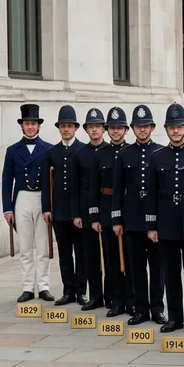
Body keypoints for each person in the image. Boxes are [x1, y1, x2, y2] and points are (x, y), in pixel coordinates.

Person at [147, 104, 184, 333]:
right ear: (166, 130)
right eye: (171, 128)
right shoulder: (157, 157)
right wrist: (151, 225)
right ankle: (175, 317)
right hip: (166, 224)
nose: (176, 132)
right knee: (171, 273)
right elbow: (151, 193)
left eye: (179, 127)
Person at [112, 104, 164, 326]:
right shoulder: (124, 154)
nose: (142, 130)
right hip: (132, 219)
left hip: (155, 220)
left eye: (146, 126)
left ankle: (157, 308)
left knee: (157, 268)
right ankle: (140, 308)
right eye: (138, 127)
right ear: (132, 128)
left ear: (152, 127)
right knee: (136, 268)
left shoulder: (160, 152)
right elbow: (117, 188)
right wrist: (116, 219)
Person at [2, 104, 53, 303]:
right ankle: (27, 287)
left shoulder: (48, 149)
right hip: (21, 198)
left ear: (39, 126)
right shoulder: (12, 150)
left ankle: (44, 286)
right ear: (22, 126)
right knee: (25, 246)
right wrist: (7, 208)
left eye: (33, 123)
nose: (30, 127)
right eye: (26, 124)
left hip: (41, 198)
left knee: (42, 245)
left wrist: (49, 206)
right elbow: (7, 180)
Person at [42, 105, 86, 306]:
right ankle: (68, 290)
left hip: (78, 212)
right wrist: (46, 208)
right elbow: (46, 183)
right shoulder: (52, 153)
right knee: (65, 254)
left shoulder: (82, 150)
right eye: (62, 126)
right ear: (59, 129)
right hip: (59, 211)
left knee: (82, 252)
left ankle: (81, 290)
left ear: (76, 128)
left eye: (69, 126)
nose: (66, 129)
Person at [89, 107, 130, 315]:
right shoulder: (100, 154)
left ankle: (130, 299)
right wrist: (95, 216)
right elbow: (94, 187)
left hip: (127, 209)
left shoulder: (131, 152)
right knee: (111, 258)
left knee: (129, 260)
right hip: (106, 210)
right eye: (112, 128)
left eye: (119, 128)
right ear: (108, 130)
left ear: (125, 130)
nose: (115, 132)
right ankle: (115, 300)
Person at [71, 108, 108, 313]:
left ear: (104, 129)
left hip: (106, 206)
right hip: (86, 209)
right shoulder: (80, 154)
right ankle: (95, 296)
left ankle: (111, 295)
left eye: (98, 127)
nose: (94, 130)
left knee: (109, 256)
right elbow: (75, 187)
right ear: (86, 130)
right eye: (91, 127)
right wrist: (76, 213)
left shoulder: (110, 152)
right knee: (91, 256)